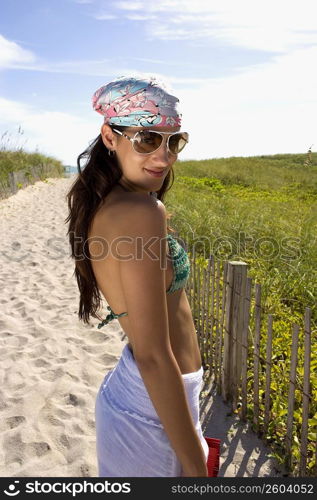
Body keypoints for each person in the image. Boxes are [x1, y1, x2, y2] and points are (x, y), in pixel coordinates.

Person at [65, 75, 209, 477]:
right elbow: (151, 353)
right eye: (147, 139)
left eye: (173, 141)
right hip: (154, 410)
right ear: (110, 137)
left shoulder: (119, 201)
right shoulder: (141, 212)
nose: (164, 157)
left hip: (149, 401)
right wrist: (198, 470)